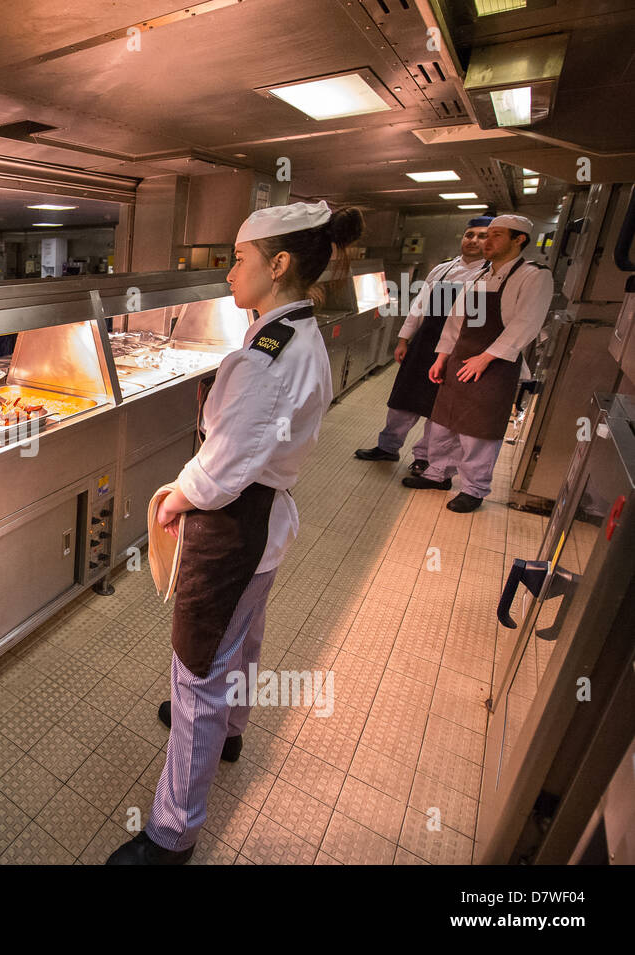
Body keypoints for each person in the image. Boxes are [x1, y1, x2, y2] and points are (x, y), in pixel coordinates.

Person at [107, 201, 362, 865]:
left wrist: (173, 501)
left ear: (277, 264)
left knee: (196, 675)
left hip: (231, 529)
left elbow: (220, 469)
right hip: (267, 521)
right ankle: (231, 734)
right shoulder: (299, 332)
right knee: (243, 639)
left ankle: (172, 833)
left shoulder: (262, 357)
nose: (228, 273)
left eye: (239, 260)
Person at [402, 214, 553, 512]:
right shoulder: (480, 275)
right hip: (460, 357)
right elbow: (456, 321)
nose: (487, 241)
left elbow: (526, 324)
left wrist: (484, 359)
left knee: (478, 429)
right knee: (444, 420)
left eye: (496, 235)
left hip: (496, 362)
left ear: (518, 239)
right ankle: (437, 474)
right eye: (487, 235)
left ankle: (474, 489)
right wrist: (443, 357)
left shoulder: (534, 276)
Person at [354, 217, 490, 473]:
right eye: (469, 235)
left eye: (482, 236)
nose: (473, 241)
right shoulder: (443, 269)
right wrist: (404, 339)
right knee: (402, 398)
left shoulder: (491, 274)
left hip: (460, 349)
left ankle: (424, 457)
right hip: (425, 341)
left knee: (436, 407)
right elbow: (419, 306)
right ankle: (387, 447)